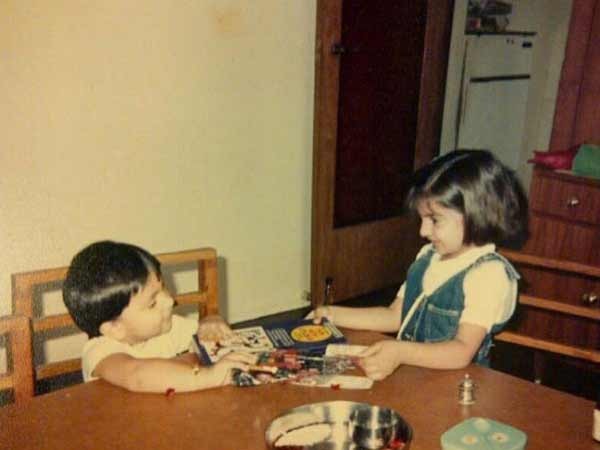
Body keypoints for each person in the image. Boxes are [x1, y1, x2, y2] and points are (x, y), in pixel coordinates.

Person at [310, 149, 528, 380]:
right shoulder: (429, 256)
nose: (423, 231)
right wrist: (332, 314)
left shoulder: (488, 273)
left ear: (477, 214)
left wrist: (400, 351)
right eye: (422, 219)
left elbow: (462, 351)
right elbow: (396, 315)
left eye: (434, 220)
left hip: (454, 388)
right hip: (413, 376)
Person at [62, 240, 256, 392]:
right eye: (152, 303)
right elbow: (137, 375)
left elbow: (201, 335)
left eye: (163, 287)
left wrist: (210, 322)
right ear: (115, 328)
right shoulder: (101, 352)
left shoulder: (168, 326)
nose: (169, 301)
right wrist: (209, 377)